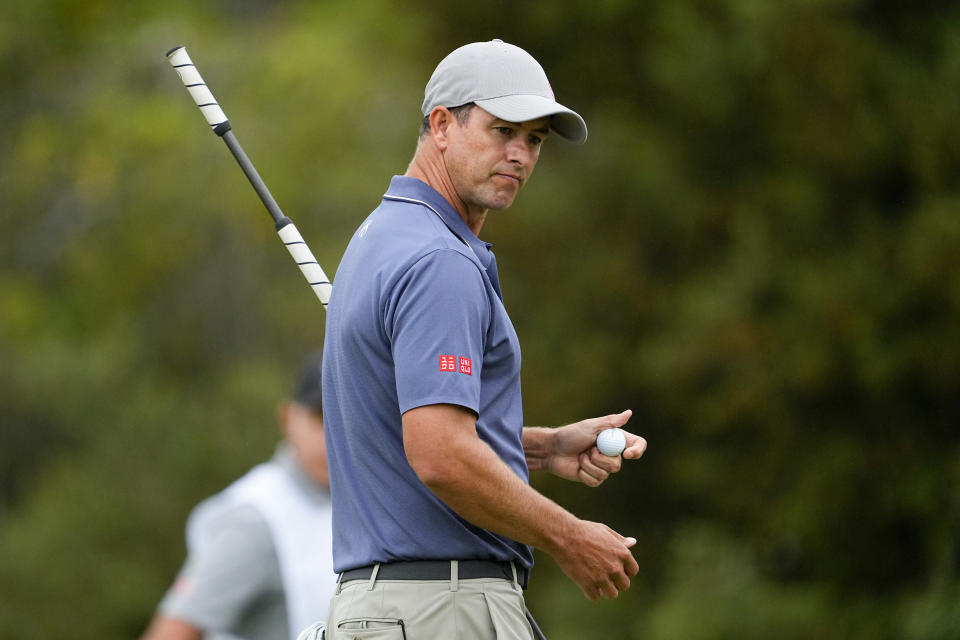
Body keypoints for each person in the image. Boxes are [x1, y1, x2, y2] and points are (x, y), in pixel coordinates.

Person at [321, 39, 648, 639]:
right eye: (503, 131)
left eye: (535, 140)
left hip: (381, 610)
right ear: (442, 125)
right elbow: (440, 454)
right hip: (440, 609)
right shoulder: (439, 261)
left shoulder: (380, 235)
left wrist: (542, 449)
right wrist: (569, 537)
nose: (520, 154)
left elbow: (409, 434)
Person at [142, 352, 335, 640]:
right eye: (320, 419)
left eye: (347, 419)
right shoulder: (254, 519)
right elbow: (171, 632)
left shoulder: (363, 503)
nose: (333, 437)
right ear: (287, 419)